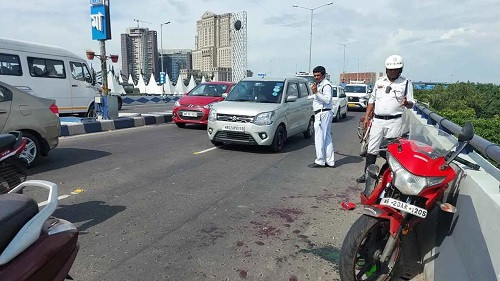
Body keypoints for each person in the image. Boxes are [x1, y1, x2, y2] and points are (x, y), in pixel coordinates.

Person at [356, 54, 414, 183]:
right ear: (386, 69)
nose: (393, 72)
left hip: (395, 121)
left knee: (391, 150)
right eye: (390, 70)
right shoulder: (379, 82)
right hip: (378, 120)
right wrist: (367, 118)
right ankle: (367, 175)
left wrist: (407, 103)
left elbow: (411, 103)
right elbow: (372, 100)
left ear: (400, 70)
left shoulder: (406, 83)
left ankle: (384, 174)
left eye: (396, 70)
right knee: (372, 148)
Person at [308, 66, 335, 168]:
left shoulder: (326, 85)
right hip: (324, 113)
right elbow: (316, 97)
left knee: (319, 138)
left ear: (323, 75)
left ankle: (320, 160)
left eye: (318, 75)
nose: (316, 77)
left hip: (322, 113)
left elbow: (327, 100)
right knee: (327, 137)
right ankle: (330, 161)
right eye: (314, 75)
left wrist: (316, 92)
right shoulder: (319, 84)